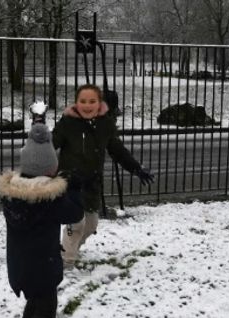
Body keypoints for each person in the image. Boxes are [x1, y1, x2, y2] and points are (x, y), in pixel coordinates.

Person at [0, 106, 84, 318]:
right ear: (50, 169)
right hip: (42, 265)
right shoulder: (50, 198)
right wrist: (74, 188)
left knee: (36, 302)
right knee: (46, 312)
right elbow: (75, 214)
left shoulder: (12, 193)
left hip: (20, 263)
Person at [52, 84, 154, 267]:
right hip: (70, 183)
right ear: (77, 103)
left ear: (99, 103)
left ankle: (69, 249)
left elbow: (118, 150)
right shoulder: (67, 123)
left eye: (92, 101)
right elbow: (51, 145)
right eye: (83, 101)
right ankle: (65, 263)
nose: (87, 105)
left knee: (90, 225)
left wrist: (136, 168)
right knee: (73, 225)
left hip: (91, 183)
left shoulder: (105, 124)